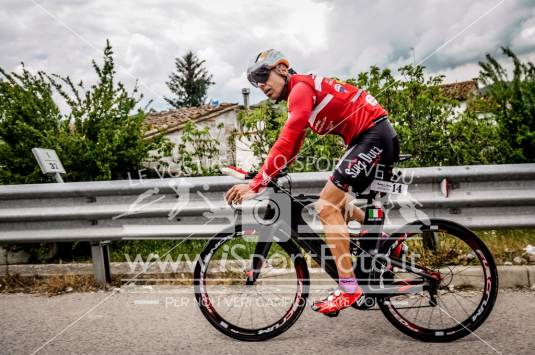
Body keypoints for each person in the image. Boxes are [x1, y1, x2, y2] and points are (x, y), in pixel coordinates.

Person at [225, 49, 399, 316]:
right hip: (370, 136)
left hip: (373, 134)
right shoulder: (300, 93)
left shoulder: (300, 89)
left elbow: (287, 137)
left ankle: (349, 289)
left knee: (326, 205)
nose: (261, 86)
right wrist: (265, 174)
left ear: (282, 68)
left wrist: (258, 182)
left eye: (263, 76)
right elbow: (292, 146)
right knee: (334, 205)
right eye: (255, 82)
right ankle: (385, 241)